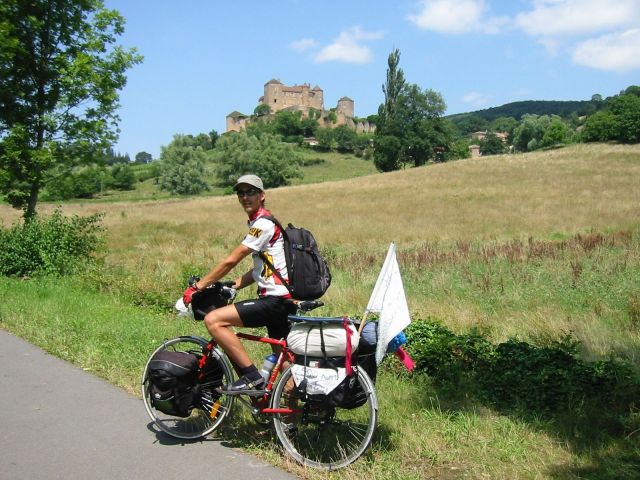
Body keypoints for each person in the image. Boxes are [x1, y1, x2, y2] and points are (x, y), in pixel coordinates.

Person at [181, 174, 293, 395]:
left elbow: (232, 260)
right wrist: (233, 285)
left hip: (275, 301)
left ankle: (252, 378)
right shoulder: (261, 223)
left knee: (214, 320)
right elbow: (260, 270)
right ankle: (290, 424)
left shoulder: (262, 225)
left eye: (250, 192)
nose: (245, 197)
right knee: (285, 364)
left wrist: (198, 287)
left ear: (262, 196)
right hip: (283, 301)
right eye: (240, 193)